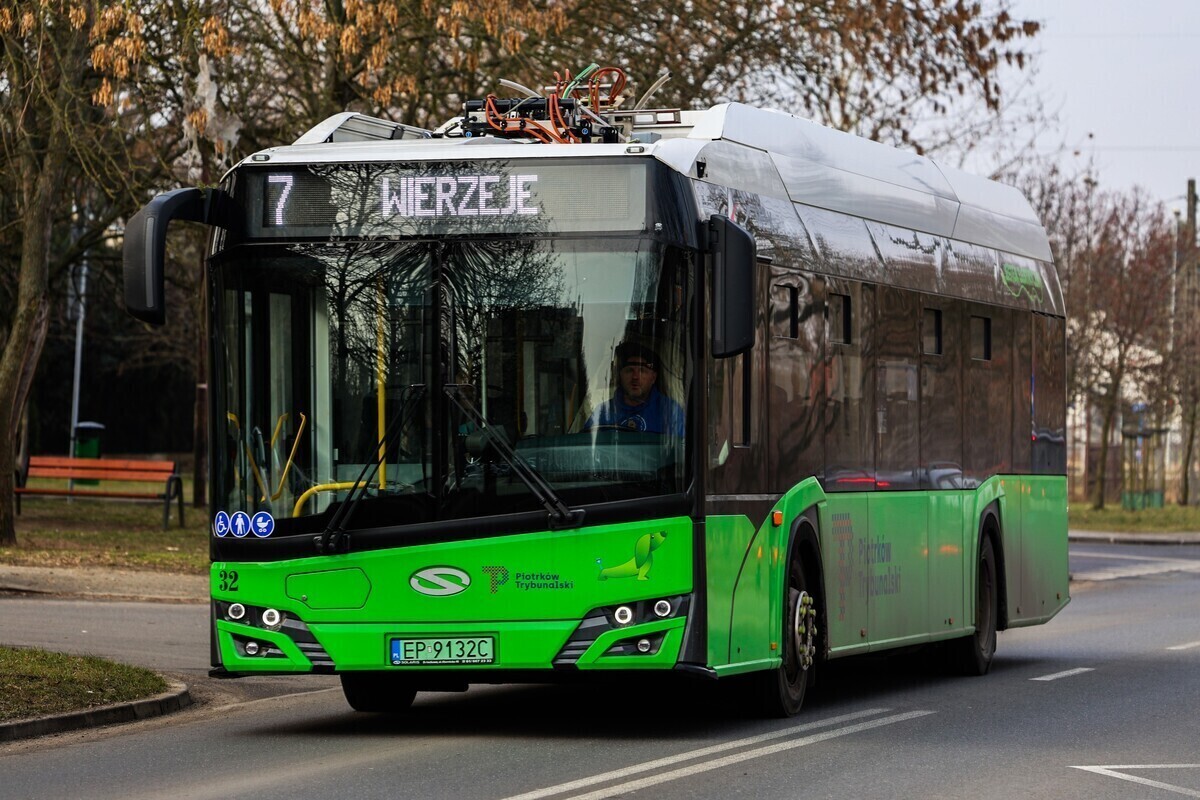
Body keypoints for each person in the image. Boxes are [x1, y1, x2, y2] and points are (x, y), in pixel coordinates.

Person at [585, 342, 684, 435]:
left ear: (653, 377)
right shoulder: (603, 412)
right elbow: (588, 446)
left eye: (642, 371)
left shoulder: (670, 411)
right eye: (629, 370)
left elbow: (680, 448)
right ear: (620, 375)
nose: (635, 377)